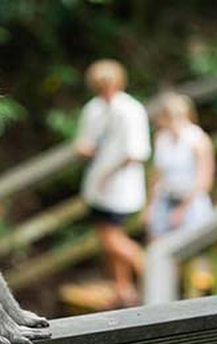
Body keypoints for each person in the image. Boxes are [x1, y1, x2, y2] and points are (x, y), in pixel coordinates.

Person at [74, 59, 151, 307]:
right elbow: (86, 141)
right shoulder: (93, 109)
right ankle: (123, 288)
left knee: (112, 239)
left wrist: (109, 174)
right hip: (97, 185)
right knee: (109, 237)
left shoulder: (131, 109)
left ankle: (150, 269)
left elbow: (136, 152)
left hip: (121, 187)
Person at [146, 92, 215, 240]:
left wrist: (182, 209)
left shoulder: (198, 140)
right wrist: (150, 206)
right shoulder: (161, 138)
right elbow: (157, 174)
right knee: (157, 244)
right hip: (165, 200)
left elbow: (204, 181)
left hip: (192, 203)